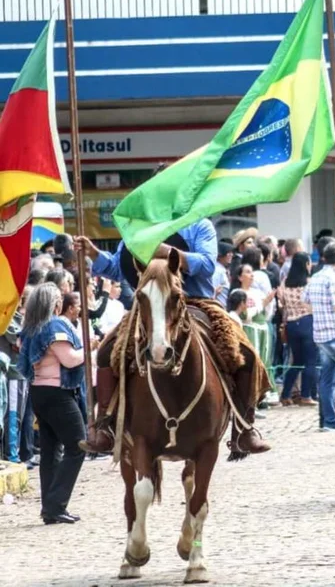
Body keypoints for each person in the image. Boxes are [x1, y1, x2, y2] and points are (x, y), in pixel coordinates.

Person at [75, 220, 271, 456]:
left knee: (244, 352)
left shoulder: (200, 225)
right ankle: (105, 425)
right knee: (107, 350)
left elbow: (207, 264)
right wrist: (93, 254)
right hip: (149, 304)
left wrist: (168, 252)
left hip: (196, 301)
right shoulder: (139, 226)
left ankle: (244, 428)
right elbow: (119, 267)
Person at [16, 283, 85, 524]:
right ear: (53, 304)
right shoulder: (53, 326)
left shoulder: (30, 328)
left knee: (51, 450)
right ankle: (56, 505)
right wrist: (89, 351)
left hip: (40, 392)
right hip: (57, 392)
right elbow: (70, 360)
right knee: (78, 446)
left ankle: (50, 507)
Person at [303, 240, 335, 431]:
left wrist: (319, 311)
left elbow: (304, 301)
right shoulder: (334, 278)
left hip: (321, 333)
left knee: (328, 379)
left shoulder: (315, 277)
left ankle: (329, 421)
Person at [277, 253, 317, 406]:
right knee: (310, 361)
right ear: (306, 264)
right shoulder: (309, 282)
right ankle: (306, 395)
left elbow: (281, 303)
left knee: (297, 361)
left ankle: (286, 394)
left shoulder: (285, 282)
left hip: (292, 324)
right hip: (307, 321)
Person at [213, 241, 233, 307]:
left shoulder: (223, 270)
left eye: (231, 253)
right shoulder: (218, 271)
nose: (231, 255)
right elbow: (214, 290)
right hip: (218, 307)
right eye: (228, 253)